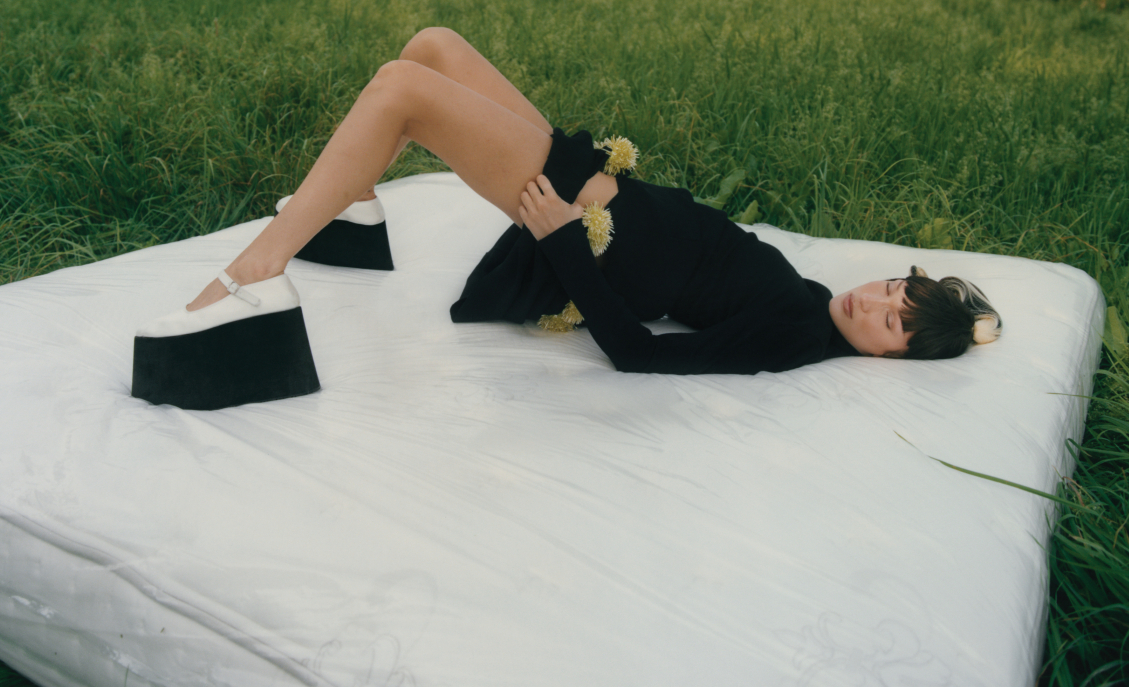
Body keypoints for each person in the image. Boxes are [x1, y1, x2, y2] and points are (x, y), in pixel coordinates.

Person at [131, 28, 1002, 410]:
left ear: (892, 358)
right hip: (604, 184)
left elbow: (641, 353)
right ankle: (351, 211)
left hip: (587, 225)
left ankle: (257, 276)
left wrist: (561, 243)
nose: (871, 304)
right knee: (432, 47)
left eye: (892, 325)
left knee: (401, 90)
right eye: (891, 291)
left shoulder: (792, 339)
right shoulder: (816, 304)